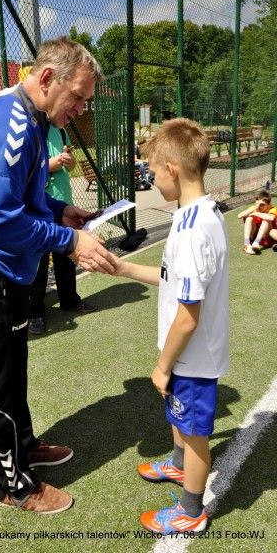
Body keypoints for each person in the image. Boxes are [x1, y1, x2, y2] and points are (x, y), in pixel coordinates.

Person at [0, 37, 117, 514]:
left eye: (86, 101)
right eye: (77, 97)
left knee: (14, 372)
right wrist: (69, 242)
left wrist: (59, 211)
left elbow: (25, 195)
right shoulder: (12, 125)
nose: (80, 110)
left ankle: (24, 446)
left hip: (8, 270)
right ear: (46, 78)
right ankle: (13, 485)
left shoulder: (33, 116)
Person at [110, 118, 229, 535]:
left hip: (193, 357)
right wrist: (123, 268)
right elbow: (171, 279)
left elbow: (188, 316)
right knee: (179, 416)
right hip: (185, 353)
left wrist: (163, 366)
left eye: (153, 172)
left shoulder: (195, 230)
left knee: (195, 434)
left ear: (172, 170)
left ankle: (191, 512)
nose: (151, 179)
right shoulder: (191, 213)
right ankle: (178, 466)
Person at [29, 125, 97, 335]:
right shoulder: (31, 128)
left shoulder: (60, 130)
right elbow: (26, 172)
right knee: (39, 263)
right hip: (40, 209)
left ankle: (70, 300)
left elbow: (72, 163)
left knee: (66, 258)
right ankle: (34, 312)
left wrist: (69, 161)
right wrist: (50, 165)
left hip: (63, 203)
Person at [237, 190, 277, 254]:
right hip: (257, 236)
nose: (259, 207)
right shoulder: (255, 208)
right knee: (249, 217)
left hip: (268, 237)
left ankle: (256, 242)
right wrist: (255, 208)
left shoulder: (272, 209)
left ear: (268, 205)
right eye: (258, 204)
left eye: (262, 205)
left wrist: (255, 213)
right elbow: (239, 216)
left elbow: (271, 218)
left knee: (266, 221)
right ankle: (247, 244)